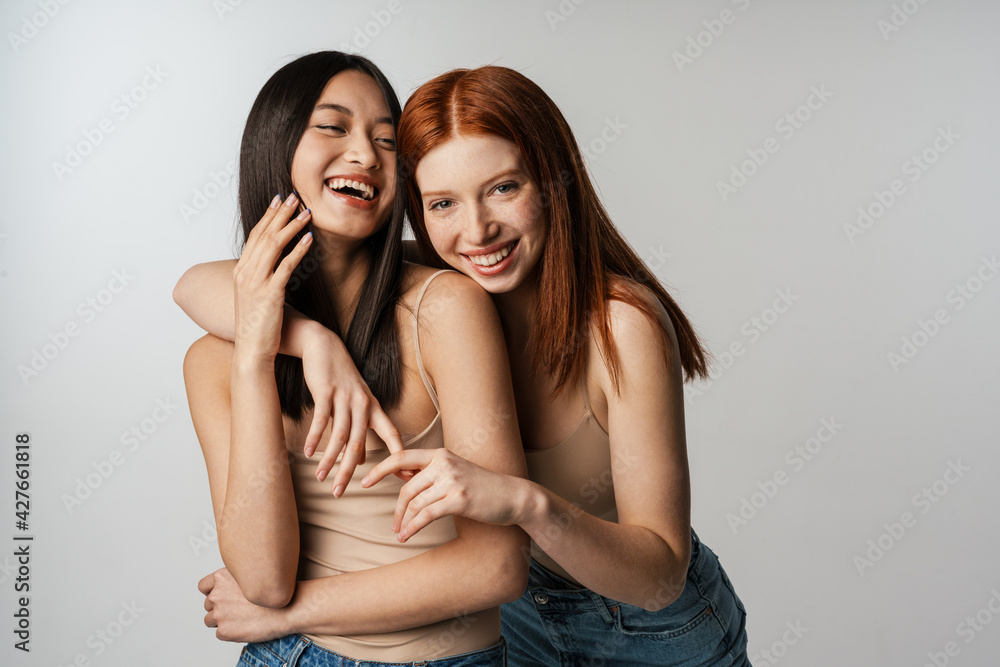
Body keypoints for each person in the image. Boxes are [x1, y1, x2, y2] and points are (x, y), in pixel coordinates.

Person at [179, 64, 750, 665]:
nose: (478, 229)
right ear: (417, 210)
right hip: (518, 617)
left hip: (642, 625)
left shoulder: (621, 326)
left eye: (504, 188)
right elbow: (198, 286)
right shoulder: (441, 283)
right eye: (444, 202)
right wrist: (308, 339)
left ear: (554, 184)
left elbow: (658, 576)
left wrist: (525, 502)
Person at [179, 52, 528, 667]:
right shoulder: (214, 358)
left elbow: (496, 566)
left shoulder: (445, 310)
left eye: (386, 140)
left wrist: (285, 612)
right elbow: (261, 578)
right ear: (276, 144)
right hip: (281, 656)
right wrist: (279, 347)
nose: (366, 154)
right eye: (333, 127)